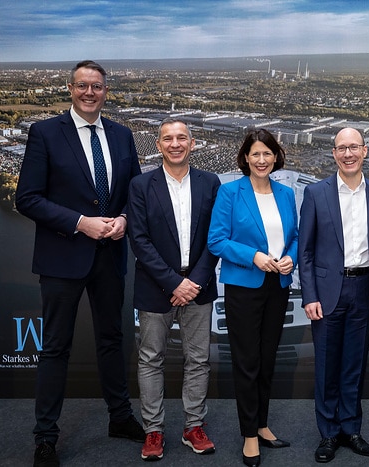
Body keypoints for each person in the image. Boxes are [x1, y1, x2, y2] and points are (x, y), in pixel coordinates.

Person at [15, 60, 144, 467]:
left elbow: (133, 193)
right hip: (62, 256)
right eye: (83, 86)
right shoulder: (45, 133)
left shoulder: (123, 136)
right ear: (70, 89)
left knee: (112, 340)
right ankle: (46, 438)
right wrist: (80, 223)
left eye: (98, 87)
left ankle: (120, 418)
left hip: (110, 256)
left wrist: (123, 219)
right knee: (55, 347)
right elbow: (28, 198)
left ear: (107, 91)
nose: (90, 93)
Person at [126, 118, 220, 461]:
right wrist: (174, 283)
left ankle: (193, 426)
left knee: (199, 360)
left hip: (199, 286)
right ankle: (153, 431)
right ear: (158, 144)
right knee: (150, 359)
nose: (176, 143)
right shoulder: (140, 185)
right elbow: (139, 240)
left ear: (192, 143)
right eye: (168, 138)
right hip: (157, 287)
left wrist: (193, 282)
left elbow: (216, 238)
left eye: (182, 138)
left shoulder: (211, 183)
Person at [298, 127, 369, 464]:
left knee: (354, 366)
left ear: (365, 151)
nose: (349, 153)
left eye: (355, 147)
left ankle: (351, 428)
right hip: (326, 293)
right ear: (334, 153)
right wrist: (309, 295)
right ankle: (328, 434)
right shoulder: (315, 193)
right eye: (342, 148)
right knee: (326, 366)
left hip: (364, 290)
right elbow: (305, 252)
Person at [207, 129, 298, 467]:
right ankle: (248, 435)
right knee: (247, 363)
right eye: (255, 154)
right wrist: (254, 256)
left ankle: (262, 424)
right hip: (244, 288)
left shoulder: (286, 194)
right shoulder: (230, 192)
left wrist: (292, 257)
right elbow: (216, 240)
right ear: (245, 157)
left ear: (277, 157)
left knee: (267, 359)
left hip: (278, 286)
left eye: (268, 154)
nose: (262, 160)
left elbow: (296, 237)